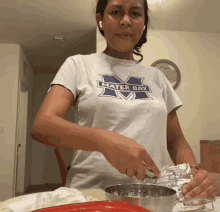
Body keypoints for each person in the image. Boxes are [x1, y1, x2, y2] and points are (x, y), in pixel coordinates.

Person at [31, 0, 219, 200]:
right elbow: (43, 125)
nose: (126, 21)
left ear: (143, 23)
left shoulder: (157, 77)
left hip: (151, 196)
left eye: (135, 13)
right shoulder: (78, 65)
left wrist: (194, 171)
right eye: (116, 12)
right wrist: (105, 141)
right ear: (100, 20)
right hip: (91, 194)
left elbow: (176, 140)